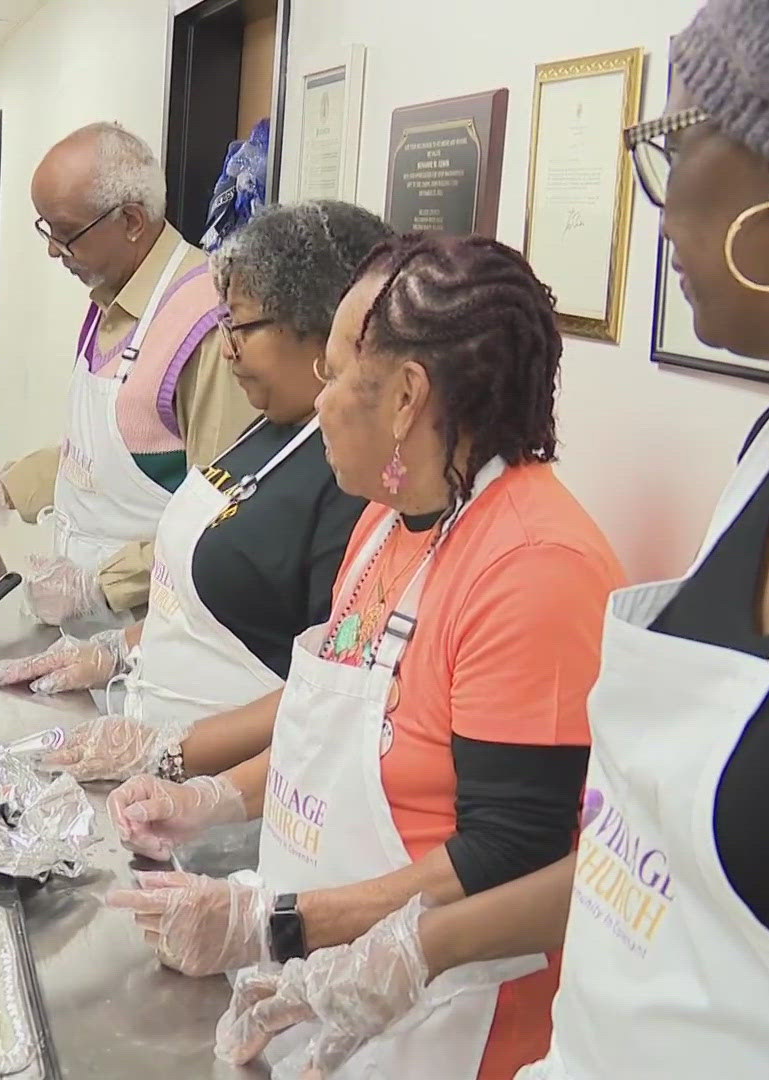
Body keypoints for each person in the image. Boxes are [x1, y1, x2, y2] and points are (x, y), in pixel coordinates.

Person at [212, 2, 769, 1076]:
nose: (664, 213)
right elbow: (640, 859)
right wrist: (365, 942)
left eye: (677, 143)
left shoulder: (536, 557)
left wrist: (318, 925)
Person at [105, 232, 627, 1080]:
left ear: (407, 397)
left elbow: (513, 855)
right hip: (324, 987)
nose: (320, 406)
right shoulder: (385, 522)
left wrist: (272, 923)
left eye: (337, 373)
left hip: (444, 1025)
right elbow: (331, 735)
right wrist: (208, 798)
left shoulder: (533, 566)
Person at [0, 201, 386, 780]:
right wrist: (113, 651)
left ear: (320, 328)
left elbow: (329, 689)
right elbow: (208, 610)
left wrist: (174, 753)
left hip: (237, 793)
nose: (226, 350)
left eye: (242, 328)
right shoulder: (268, 424)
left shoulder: (352, 480)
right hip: (159, 760)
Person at [0, 122, 257, 634]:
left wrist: (101, 588)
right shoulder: (113, 299)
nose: (53, 250)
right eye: (45, 230)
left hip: (159, 632)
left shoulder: (207, 325)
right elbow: (100, 456)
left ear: (130, 220)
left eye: (64, 233)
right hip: (87, 622)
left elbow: (221, 522)